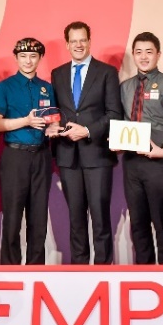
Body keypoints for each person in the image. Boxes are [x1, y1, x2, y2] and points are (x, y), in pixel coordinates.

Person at [49, 21, 123, 265]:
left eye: (83, 40)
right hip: (67, 156)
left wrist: (88, 131)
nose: (78, 45)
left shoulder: (107, 72)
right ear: (67, 44)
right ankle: (79, 271)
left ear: (90, 42)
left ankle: (103, 269)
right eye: (74, 41)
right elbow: (56, 112)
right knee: (76, 218)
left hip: (97, 155)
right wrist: (53, 126)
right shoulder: (58, 74)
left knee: (100, 218)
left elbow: (114, 113)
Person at [119, 32, 163, 264]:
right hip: (131, 162)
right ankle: (143, 272)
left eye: (149, 52)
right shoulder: (125, 87)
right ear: (133, 55)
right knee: (138, 222)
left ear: (158, 54)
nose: (144, 57)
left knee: (162, 222)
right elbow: (121, 122)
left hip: (159, 162)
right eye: (138, 52)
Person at [0, 38, 56, 265]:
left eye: (33, 56)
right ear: (16, 58)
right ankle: (9, 271)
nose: (28, 61)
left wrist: (54, 128)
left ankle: (35, 271)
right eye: (23, 56)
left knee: (38, 218)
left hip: (42, 156)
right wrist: (26, 121)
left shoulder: (46, 87)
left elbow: (52, 119)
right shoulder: (4, 87)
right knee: (12, 217)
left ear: (40, 58)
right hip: (15, 156)